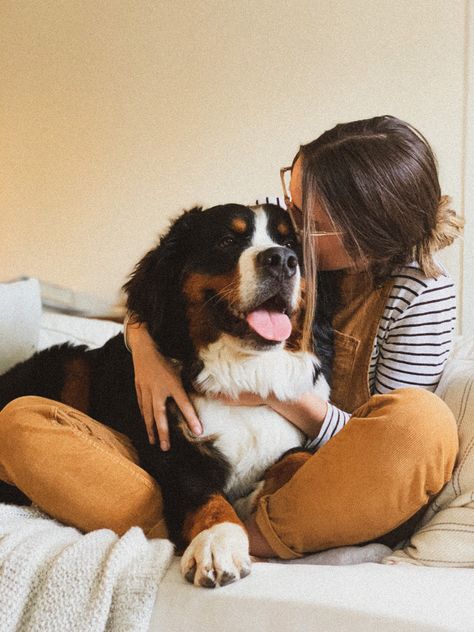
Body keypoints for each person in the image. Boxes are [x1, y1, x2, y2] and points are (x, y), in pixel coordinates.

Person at [0, 115, 462, 558]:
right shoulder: (274, 224)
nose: (287, 227)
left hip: (318, 469)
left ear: (364, 237)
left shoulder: (422, 291)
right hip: (176, 461)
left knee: (423, 425)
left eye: (306, 220)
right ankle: (196, 526)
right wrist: (145, 348)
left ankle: (259, 538)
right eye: (291, 196)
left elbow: (374, 438)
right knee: (21, 422)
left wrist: (271, 394)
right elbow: (167, 276)